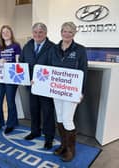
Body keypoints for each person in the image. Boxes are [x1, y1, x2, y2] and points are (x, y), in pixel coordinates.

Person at [48, 22, 88, 161]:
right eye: (64, 31)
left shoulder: (80, 50)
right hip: (56, 89)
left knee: (67, 119)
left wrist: (81, 91)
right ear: (61, 32)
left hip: (72, 91)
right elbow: (48, 67)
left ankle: (71, 150)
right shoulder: (54, 48)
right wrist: (39, 81)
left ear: (74, 34)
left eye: (70, 32)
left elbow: (83, 71)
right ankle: (63, 146)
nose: (67, 34)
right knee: (59, 117)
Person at [19, 22, 55, 150]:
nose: (38, 35)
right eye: (35, 32)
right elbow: (21, 63)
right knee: (34, 110)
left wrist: (42, 80)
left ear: (45, 33)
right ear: (32, 33)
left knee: (48, 112)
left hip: (45, 88)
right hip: (31, 86)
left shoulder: (53, 47)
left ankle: (49, 137)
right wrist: (26, 79)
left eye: (40, 32)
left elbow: (54, 67)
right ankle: (35, 131)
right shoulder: (27, 46)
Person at [0, 25, 21, 134]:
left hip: (11, 77)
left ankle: (11, 124)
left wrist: (10, 64)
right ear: (1, 35)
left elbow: (18, 62)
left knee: (10, 101)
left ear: (11, 33)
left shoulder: (16, 46)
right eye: (3, 32)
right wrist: (0, 61)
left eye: (7, 31)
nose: (5, 34)